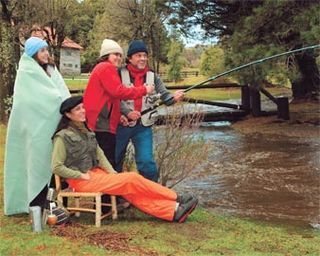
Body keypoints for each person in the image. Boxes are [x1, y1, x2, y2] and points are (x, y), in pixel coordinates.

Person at [52, 96, 198, 223]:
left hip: (97, 174)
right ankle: (177, 198)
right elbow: (56, 167)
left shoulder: (87, 132)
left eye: (83, 107)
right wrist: (80, 175)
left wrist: (112, 173)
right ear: (68, 114)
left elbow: (100, 156)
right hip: (82, 180)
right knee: (132, 178)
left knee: (129, 189)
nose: (83, 111)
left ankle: (173, 211)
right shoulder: (62, 136)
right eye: (78, 109)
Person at [4, 37, 71, 215]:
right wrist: (55, 101)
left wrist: (66, 105)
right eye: (42, 51)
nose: (46, 54)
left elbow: (61, 92)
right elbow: (28, 99)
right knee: (36, 162)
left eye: (47, 50)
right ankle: (36, 202)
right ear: (33, 53)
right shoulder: (26, 71)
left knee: (55, 161)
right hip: (34, 127)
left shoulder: (50, 70)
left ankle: (54, 202)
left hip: (54, 125)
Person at [115, 40, 184, 181]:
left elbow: (166, 97)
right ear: (130, 58)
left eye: (145, 55)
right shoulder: (118, 73)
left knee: (147, 162)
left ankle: (152, 193)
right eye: (139, 55)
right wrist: (127, 113)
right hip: (120, 125)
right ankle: (114, 197)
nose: (143, 59)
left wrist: (174, 98)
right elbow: (112, 97)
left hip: (143, 126)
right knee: (115, 159)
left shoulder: (153, 76)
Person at [83, 39, 154, 168]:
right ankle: (107, 187)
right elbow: (118, 92)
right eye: (115, 54)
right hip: (101, 123)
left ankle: (107, 186)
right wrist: (144, 90)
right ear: (106, 55)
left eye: (120, 55)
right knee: (107, 162)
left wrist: (120, 117)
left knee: (106, 160)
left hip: (101, 121)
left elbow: (112, 98)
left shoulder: (104, 68)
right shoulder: (106, 67)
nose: (118, 58)